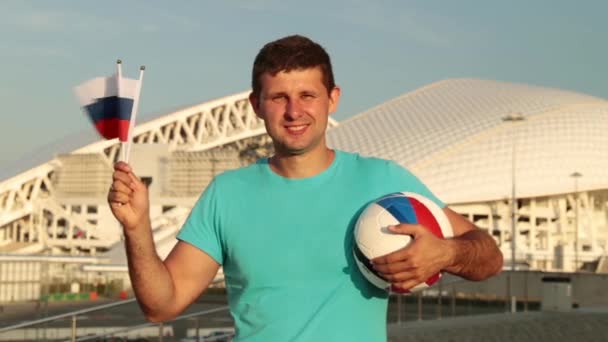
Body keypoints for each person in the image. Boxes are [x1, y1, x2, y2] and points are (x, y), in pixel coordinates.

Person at [108, 35, 503, 341]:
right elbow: (162, 305)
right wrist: (136, 227)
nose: (294, 111)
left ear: (333, 99)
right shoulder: (227, 194)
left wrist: (446, 252)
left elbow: (489, 258)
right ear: (256, 105)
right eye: (279, 98)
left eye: (307, 96)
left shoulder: (382, 181)